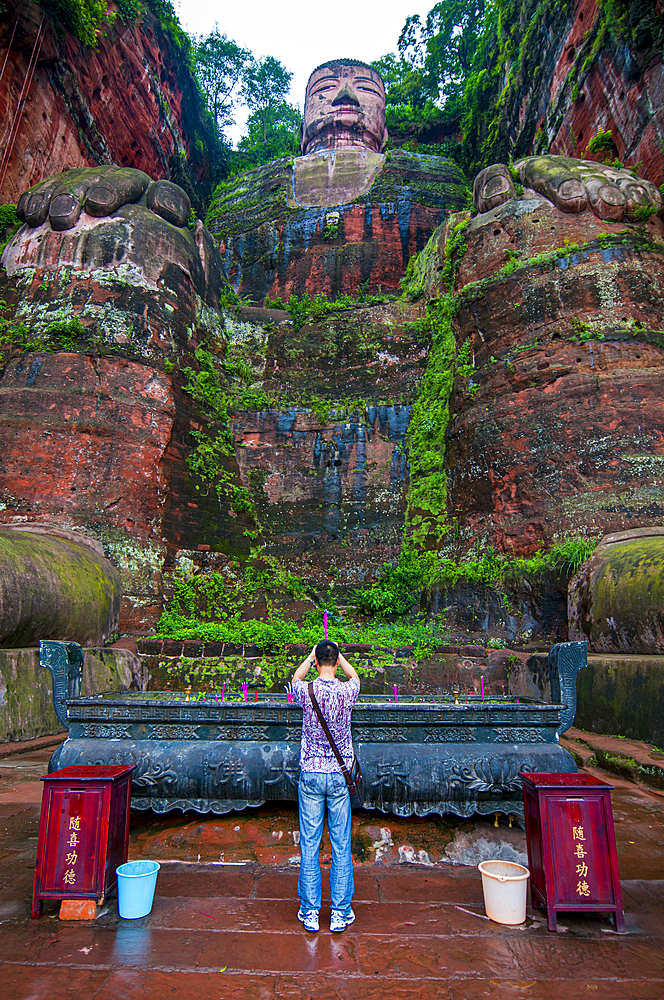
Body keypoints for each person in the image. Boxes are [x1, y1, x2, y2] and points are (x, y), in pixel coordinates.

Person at [291, 639, 360, 933]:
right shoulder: (347, 691)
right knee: (341, 843)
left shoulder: (306, 690)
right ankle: (340, 913)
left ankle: (309, 912)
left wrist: (309, 657)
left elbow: (295, 678)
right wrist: (340, 657)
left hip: (311, 774)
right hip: (339, 776)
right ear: (336, 661)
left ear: (317, 663)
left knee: (310, 842)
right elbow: (355, 677)